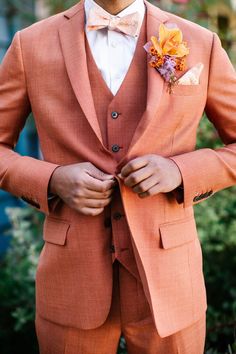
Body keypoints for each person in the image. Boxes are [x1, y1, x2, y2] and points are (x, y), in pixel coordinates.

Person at [0, 0, 236, 352]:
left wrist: (180, 171)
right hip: (72, 284)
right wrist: (52, 180)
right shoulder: (30, 44)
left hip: (170, 284)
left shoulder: (201, 42)